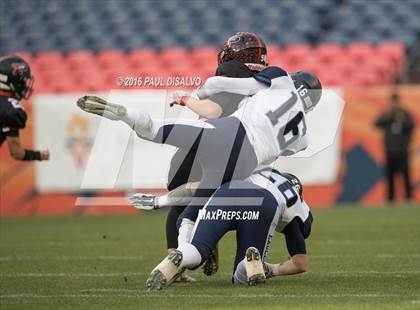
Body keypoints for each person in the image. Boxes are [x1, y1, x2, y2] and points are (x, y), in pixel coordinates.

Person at [77, 67, 321, 254]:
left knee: (155, 129)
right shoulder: (304, 138)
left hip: (227, 131)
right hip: (244, 162)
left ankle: (127, 115)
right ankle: (182, 256)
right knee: (193, 212)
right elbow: (283, 145)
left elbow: (218, 82)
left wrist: (196, 94)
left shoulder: (280, 79)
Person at [165, 32, 268, 278]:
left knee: (182, 204)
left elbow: (213, 111)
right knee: (250, 203)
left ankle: (182, 258)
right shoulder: (264, 82)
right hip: (238, 151)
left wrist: (187, 99)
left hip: (209, 147)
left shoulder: (233, 75)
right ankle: (242, 257)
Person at [142, 169, 313, 289]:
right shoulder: (297, 204)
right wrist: (271, 269)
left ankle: (182, 254)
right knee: (241, 279)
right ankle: (249, 262)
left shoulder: (261, 168)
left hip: (228, 191)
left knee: (196, 249)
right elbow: (301, 264)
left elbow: (199, 187)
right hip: (263, 202)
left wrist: (187, 224)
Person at [0, 56, 49, 161]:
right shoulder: (11, 109)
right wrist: (39, 155)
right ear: (13, 83)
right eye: (22, 82)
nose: (24, 86)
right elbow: (17, 153)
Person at [375, 92, 414, 202]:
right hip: (390, 151)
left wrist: (402, 119)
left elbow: (411, 125)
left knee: (405, 176)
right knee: (390, 177)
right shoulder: (388, 114)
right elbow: (377, 123)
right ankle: (390, 199)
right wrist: (389, 116)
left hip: (402, 151)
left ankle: (408, 198)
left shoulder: (404, 114)